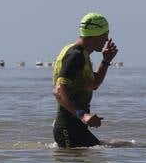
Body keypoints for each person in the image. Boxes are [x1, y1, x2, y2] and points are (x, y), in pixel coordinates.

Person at [51, 12, 120, 148]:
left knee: (115, 149)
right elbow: (58, 91)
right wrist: (83, 116)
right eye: (105, 34)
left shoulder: (82, 55)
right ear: (96, 34)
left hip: (76, 125)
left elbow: (93, 85)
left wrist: (105, 61)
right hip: (68, 127)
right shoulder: (75, 55)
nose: (107, 39)